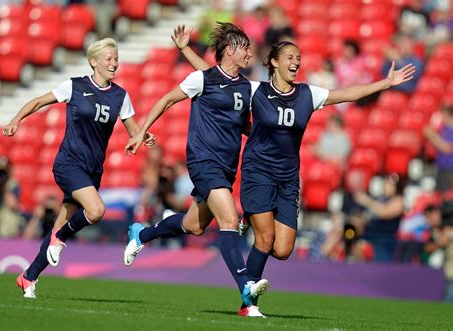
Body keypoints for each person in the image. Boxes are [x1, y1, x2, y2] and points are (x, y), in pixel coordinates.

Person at [127, 24, 416, 316]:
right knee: (255, 235)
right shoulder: (257, 91)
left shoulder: (306, 94)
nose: (296, 62)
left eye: (299, 57)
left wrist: (385, 83)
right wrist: (185, 51)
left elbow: (347, 94)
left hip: (287, 178)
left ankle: (144, 233)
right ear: (275, 62)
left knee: (267, 245)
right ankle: (247, 297)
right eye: (290, 56)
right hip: (255, 172)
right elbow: (214, 81)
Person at [123, 23, 268, 318]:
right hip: (204, 162)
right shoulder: (200, 80)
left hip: (227, 168)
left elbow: (240, 116)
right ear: (230, 50)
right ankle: (245, 290)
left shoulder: (248, 88)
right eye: (245, 47)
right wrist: (140, 131)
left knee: (194, 226)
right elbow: (166, 99)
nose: (251, 53)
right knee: (229, 219)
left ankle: (142, 234)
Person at [3, 37, 155, 298]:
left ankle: (28, 277)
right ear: (93, 61)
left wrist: (142, 137)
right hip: (68, 164)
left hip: (93, 170)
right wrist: (16, 119)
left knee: (59, 226)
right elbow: (39, 101)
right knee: (95, 211)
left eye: (116, 58)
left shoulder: (120, 95)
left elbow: (133, 131)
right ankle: (60, 238)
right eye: (108, 58)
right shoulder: (74, 86)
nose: (114, 63)